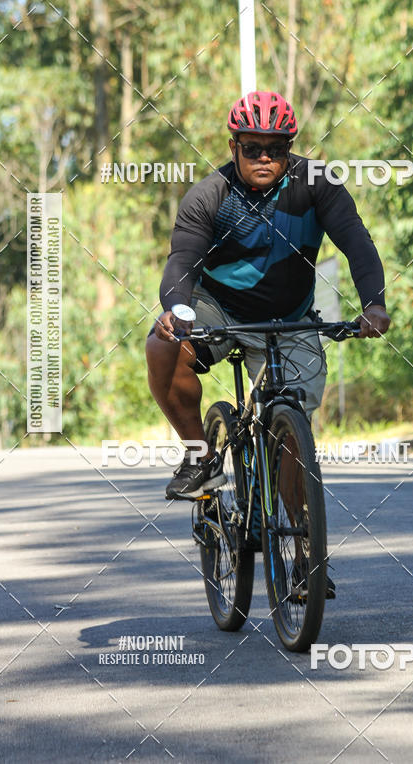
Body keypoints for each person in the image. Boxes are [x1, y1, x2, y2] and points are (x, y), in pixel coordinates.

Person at [145, 90, 390, 503]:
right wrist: (178, 310)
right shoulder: (210, 195)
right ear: (233, 147)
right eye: (252, 148)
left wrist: (374, 303)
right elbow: (183, 260)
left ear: (289, 149)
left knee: (294, 437)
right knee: (161, 345)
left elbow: (356, 243)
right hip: (219, 310)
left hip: (289, 317)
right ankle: (200, 457)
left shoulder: (317, 186)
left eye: (275, 150)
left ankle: (304, 558)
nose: (264, 158)